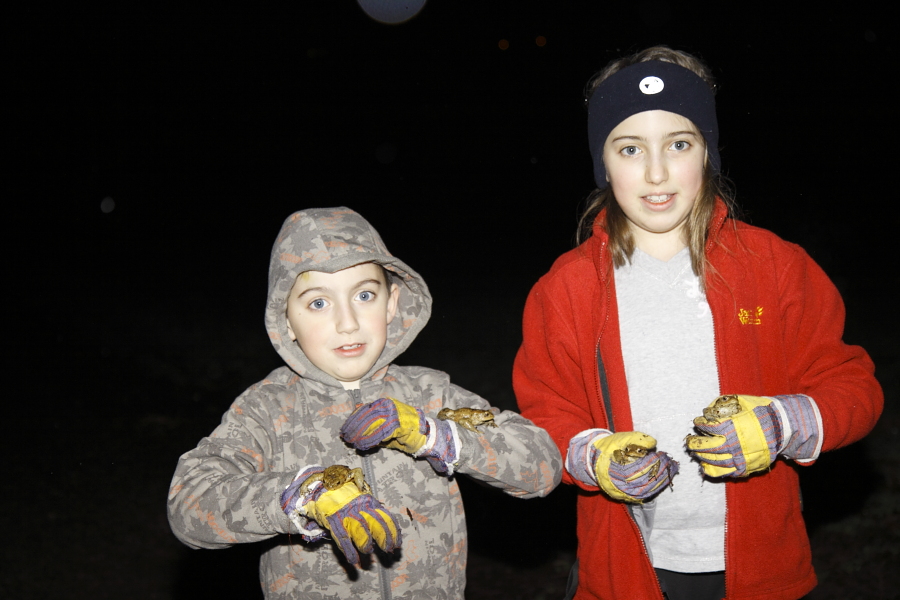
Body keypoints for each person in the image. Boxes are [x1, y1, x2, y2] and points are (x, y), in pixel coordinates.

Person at [512, 46, 883, 600]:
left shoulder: (775, 267)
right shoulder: (566, 288)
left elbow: (854, 387)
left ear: (706, 152)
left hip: (762, 569)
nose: (656, 172)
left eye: (678, 144)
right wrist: (592, 454)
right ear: (603, 162)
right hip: (628, 571)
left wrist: (786, 421)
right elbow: (545, 412)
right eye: (630, 148)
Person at [168, 207, 562, 599]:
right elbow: (189, 504)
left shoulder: (431, 394)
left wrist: (437, 436)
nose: (348, 322)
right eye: (318, 303)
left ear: (391, 304)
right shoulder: (267, 408)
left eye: (364, 295)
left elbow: (542, 465)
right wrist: (300, 496)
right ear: (285, 319)